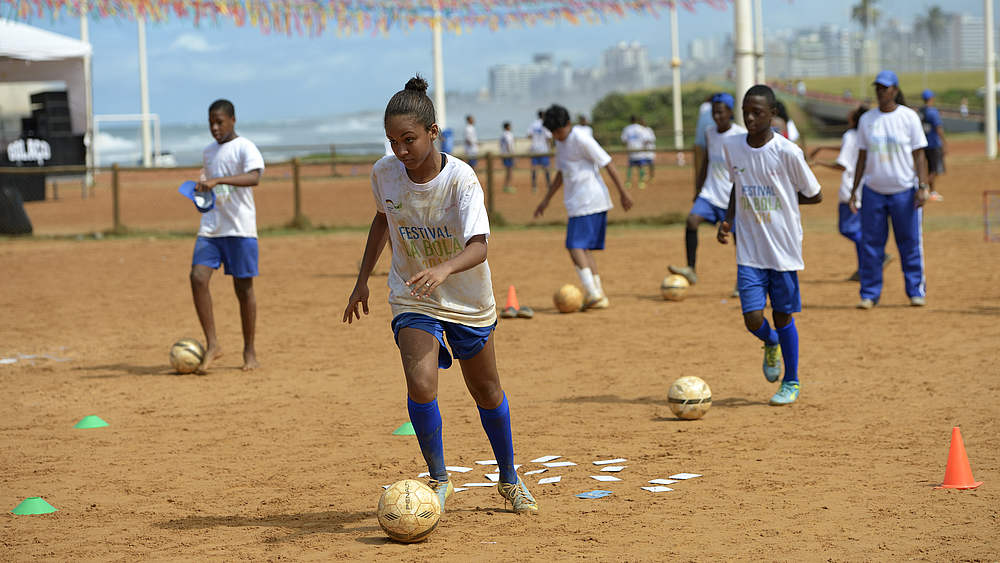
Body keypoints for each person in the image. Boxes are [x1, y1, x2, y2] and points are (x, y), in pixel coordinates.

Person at [342, 76, 538, 515]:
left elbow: (481, 245)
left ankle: (508, 477)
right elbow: (381, 221)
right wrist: (363, 279)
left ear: (433, 132)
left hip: (468, 299)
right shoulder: (385, 173)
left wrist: (445, 268)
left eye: (408, 139)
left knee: (486, 391)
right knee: (420, 383)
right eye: (392, 141)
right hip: (413, 295)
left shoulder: (461, 180)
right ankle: (440, 478)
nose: (400, 151)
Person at [716, 84, 823, 406]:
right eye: (745, 111)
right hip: (749, 247)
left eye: (757, 112)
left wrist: (784, 201)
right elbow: (739, 184)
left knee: (782, 314)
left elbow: (814, 193)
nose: (749, 118)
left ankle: (791, 381)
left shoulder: (787, 151)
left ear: (772, 114)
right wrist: (729, 218)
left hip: (783, 248)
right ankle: (770, 342)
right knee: (752, 318)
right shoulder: (732, 146)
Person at [188, 99, 265, 374]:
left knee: (243, 290)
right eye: (211, 123)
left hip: (240, 228)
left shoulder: (245, 147)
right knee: (197, 277)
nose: (215, 127)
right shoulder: (208, 152)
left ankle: (249, 350)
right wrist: (202, 190)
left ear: (233, 119)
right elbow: (210, 186)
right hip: (211, 227)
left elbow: (254, 178)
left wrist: (218, 181)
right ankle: (212, 345)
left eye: (219, 122)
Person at [533, 104, 634, 309]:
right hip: (576, 202)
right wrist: (546, 200)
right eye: (553, 133)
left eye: (559, 131)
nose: (557, 136)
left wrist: (623, 193)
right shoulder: (561, 143)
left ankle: (592, 292)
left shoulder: (582, 139)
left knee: (574, 246)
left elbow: (607, 163)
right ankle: (599, 295)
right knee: (584, 249)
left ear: (568, 124)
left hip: (589, 199)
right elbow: (561, 173)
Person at [849, 70, 930, 310]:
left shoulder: (909, 117)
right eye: (878, 88)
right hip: (873, 191)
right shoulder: (867, 120)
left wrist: (922, 186)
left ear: (894, 90)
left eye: (885, 88)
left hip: (904, 191)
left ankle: (915, 290)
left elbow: (920, 155)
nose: (880, 92)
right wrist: (855, 189)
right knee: (871, 245)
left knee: (909, 242)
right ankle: (869, 294)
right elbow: (861, 157)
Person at [668, 92, 746, 290]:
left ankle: (743, 279)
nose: (717, 116)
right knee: (692, 221)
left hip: (732, 196)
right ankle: (691, 269)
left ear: (730, 112)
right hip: (710, 192)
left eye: (720, 112)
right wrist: (698, 188)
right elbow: (707, 162)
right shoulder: (709, 133)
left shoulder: (739, 135)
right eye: (714, 113)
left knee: (739, 239)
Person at [809, 105, 890, 282]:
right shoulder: (861, 135)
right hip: (865, 187)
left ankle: (878, 254)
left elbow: (842, 165)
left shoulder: (850, 136)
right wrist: (823, 147)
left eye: (852, 112)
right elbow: (847, 149)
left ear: (855, 118)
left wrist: (820, 162)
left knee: (847, 229)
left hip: (850, 189)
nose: (848, 113)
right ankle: (864, 269)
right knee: (859, 228)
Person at [919, 89, 946, 202]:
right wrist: (944, 142)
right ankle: (926, 189)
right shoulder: (932, 112)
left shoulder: (920, 111)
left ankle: (931, 191)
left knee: (926, 168)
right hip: (934, 144)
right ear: (931, 98)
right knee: (934, 170)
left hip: (924, 144)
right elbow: (938, 128)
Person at [621, 115, 650, 189]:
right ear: (636, 120)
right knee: (640, 167)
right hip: (640, 150)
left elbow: (623, 140)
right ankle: (641, 182)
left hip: (631, 150)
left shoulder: (627, 129)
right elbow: (646, 140)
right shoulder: (641, 128)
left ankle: (628, 182)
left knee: (630, 167)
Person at [527, 110, 553, 193]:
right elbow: (549, 137)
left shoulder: (533, 124)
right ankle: (549, 185)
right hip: (543, 149)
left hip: (534, 148)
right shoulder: (546, 124)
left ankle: (534, 186)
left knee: (534, 168)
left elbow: (529, 135)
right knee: (546, 168)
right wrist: (550, 147)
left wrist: (535, 138)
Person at [692, 95, 714, 185]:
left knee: (700, 173)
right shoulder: (710, 107)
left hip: (700, 143)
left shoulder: (704, 107)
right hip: (710, 144)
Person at [500, 121, 516, 193]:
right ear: (507, 127)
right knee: (509, 171)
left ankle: (506, 185)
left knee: (508, 171)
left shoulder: (503, 134)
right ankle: (507, 186)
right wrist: (511, 154)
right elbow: (508, 145)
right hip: (508, 155)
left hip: (504, 154)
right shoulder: (508, 134)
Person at [639, 117, 656, 182]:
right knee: (642, 164)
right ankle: (643, 176)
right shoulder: (639, 130)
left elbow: (653, 139)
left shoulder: (649, 130)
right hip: (642, 150)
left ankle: (652, 177)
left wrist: (647, 142)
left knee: (651, 164)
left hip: (649, 149)